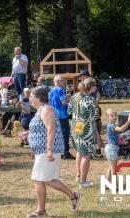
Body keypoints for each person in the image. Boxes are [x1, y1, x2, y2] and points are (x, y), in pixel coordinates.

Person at [28, 87, 80, 217]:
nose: (30, 99)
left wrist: (49, 150)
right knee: (44, 179)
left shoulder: (47, 110)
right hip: (42, 150)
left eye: (31, 97)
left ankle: (43, 210)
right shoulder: (40, 110)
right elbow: (42, 129)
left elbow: (51, 129)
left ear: (38, 98)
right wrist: (27, 133)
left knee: (40, 178)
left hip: (49, 150)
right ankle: (70, 197)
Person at [68, 78, 97, 188]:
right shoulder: (90, 100)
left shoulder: (74, 96)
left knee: (79, 152)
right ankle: (83, 182)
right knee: (86, 155)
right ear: (92, 87)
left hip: (75, 127)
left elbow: (69, 111)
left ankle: (79, 176)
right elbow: (93, 117)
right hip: (85, 129)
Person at [49, 75, 74, 160]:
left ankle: (59, 152)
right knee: (65, 134)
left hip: (54, 115)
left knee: (57, 135)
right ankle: (66, 153)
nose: (64, 82)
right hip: (62, 115)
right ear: (58, 81)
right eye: (63, 80)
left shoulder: (51, 91)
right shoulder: (60, 90)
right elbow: (63, 102)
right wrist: (69, 98)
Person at [78, 70, 103, 156]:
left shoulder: (91, 85)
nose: (81, 78)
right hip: (85, 118)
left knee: (94, 132)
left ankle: (96, 150)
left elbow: (98, 96)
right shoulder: (82, 93)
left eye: (82, 76)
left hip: (80, 119)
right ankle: (91, 151)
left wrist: (94, 106)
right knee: (93, 131)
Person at [104, 109, 130, 182]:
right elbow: (121, 129)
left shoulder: (113, 125)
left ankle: (107, 183)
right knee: (114, 169)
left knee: (110, 167)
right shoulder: (111, 126)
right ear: (108, 118)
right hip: (111, 148)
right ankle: (114, 186)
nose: (114, 117)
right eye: (112, 116)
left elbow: (118, 134)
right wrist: (129, 121)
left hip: (111, 148)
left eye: (115, 115)